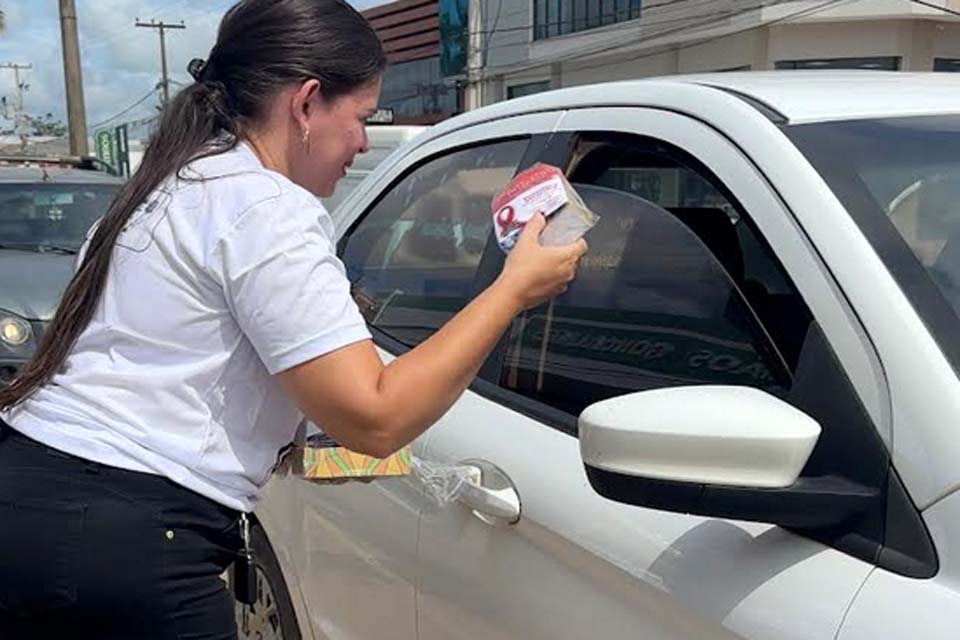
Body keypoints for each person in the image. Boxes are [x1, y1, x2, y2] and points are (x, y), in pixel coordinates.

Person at [0, 0, 587, 638]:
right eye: (361, 116)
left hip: (31, 494)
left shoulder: (169, 186)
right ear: (306, 104)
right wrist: (511, 291)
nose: (363, 140)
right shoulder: (266, 206)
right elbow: (375, 416)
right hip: (123, 541)